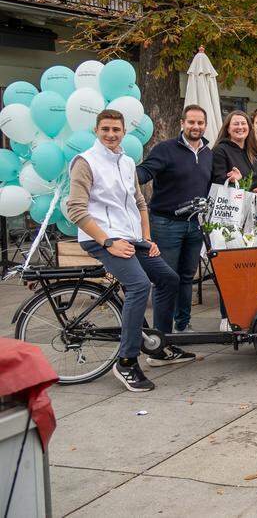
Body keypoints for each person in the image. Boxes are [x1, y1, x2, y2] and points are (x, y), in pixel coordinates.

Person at [67, 110, 193, 392]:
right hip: (102, 238)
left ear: (124, 132)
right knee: (138, 286)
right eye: (106, 129)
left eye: (116, 129)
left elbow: (140, 203)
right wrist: (107, 241)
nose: (111, 134)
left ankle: (158, 345)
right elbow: (75, 209)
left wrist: (146, 239)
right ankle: (126, 361)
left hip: (131, 237)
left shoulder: (126, 162)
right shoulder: (85, 162)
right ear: (96, 130)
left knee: (169, 278)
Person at [136, 104, 212, 333]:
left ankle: (182, 325)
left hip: (195, 224)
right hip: (166, 224)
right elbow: (144, 172)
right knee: (166, 280)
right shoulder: (165, 149)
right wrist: (125, 171)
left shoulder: (208, 153)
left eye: (200, 123)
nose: (196, 126)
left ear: (205, 125)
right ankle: (162, 334)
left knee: (187, 277)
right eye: (191, 122)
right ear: (182, 124)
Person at [211, 110, 257, 331]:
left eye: (244, 124)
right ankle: (227, 315)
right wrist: (237, 181)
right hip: (230, 220)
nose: (240, 128)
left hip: (254, 217)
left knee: (252, 267)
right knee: (230, 267)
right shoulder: (221, 151)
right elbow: (218, 182)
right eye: (235, 124)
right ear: (227, 128)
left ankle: (249, 312)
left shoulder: (255, 151)